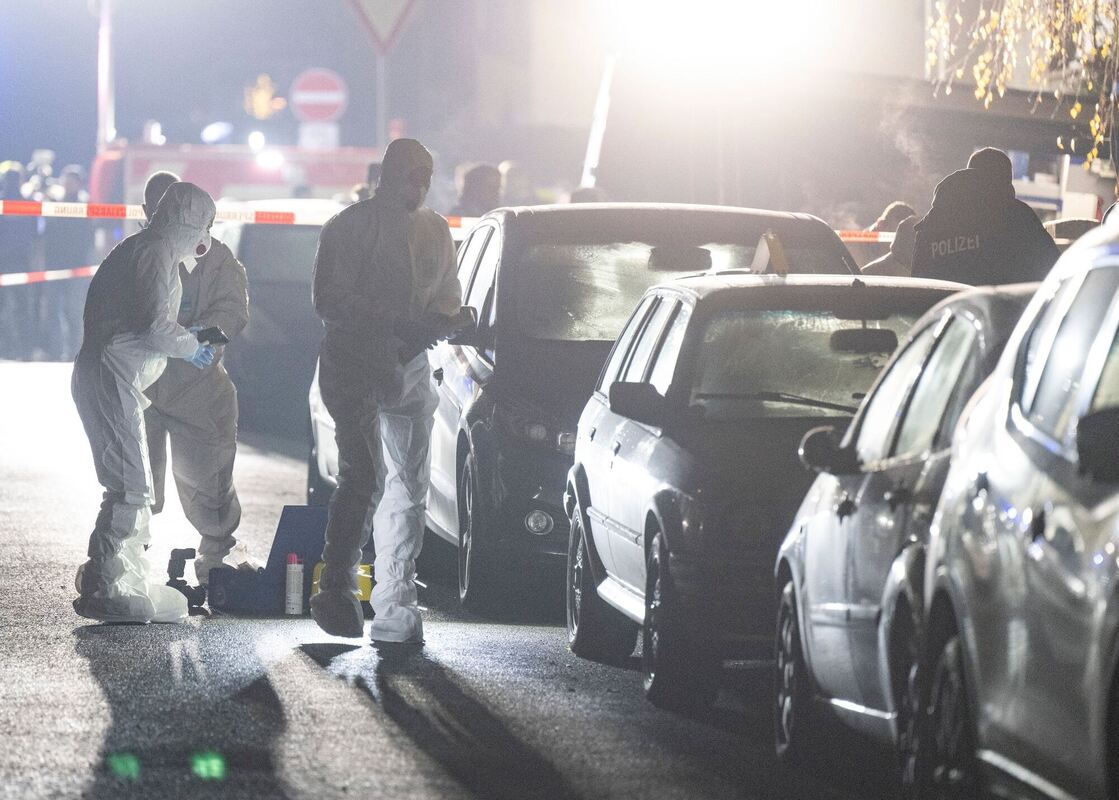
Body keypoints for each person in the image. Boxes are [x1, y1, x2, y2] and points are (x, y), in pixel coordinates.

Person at [310, 138, 462, 644]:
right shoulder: (350, 227)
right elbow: (329, 300)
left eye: (426, 176)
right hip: (354, 362)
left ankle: (396, 603)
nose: (420, 185)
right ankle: (336, 588)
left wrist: (439, 323)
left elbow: (445, 296)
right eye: (412, 175)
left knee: (409, 488)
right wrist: (394, 322)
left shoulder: (435, 230)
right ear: (389, 175)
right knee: (364, 476)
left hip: (410, 365)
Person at [73, 182, 217, 624]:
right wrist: (190, 346)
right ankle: (106, 586)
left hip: (116, 378)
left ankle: (118, 578)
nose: (207, 237)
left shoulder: (150, 249)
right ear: (193, 221)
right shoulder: (153, 252)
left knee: (134, 486)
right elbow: (153, 326)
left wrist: (187, 339)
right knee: (130, 488)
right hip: (111, 377)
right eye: (206, 225)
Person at [140, 172, 251, 587]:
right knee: (135, 486)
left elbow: (232, 310)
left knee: (210, 482)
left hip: (198, 389)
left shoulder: (217, 259)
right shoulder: (139, 255)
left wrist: (201, 336)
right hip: (142, 388)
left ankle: (215, 563)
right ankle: (125, 564)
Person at [912, 148, 1059, 285]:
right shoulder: (1017, 216)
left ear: (968, 173)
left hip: (944, 305)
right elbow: (1053, 269)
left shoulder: (932, 222)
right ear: (1006, 180)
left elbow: (919, 282)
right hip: (1001, 304)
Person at [42, 164, 94, 360]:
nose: (68, 184)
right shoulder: (54, 204)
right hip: (54, 265)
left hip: (76, 267)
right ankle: (56, 351)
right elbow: (47, 233)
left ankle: (75, 351)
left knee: (73, 310)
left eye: (72, 181)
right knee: (53, 310)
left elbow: (89, 238)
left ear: (80, 184)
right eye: (66, 180)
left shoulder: (85, 206)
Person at [0, 162, 39, 360]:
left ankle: (12, 349)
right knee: (22, 306)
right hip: (20, 260)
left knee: (15, 306)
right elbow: (35, 233)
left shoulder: (12, 203)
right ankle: (23, 350)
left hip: (10, 260)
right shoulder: (27, 203)